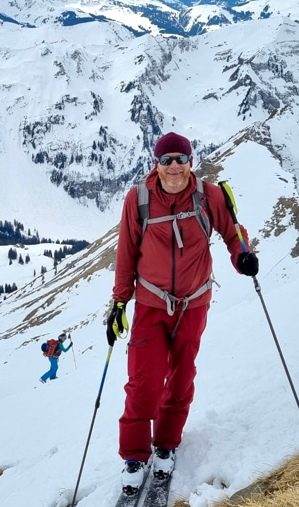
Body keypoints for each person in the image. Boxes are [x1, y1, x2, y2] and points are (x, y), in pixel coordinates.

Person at [105, 132, 258, 495]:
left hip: (194, 303)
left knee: (181, 377)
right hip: (151, 304)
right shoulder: (139, 199)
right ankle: (134, 456)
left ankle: (167, 445)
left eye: (181, 159)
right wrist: (120, 302)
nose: (174, 166)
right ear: (156, 164)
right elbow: (126, 253)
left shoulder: (210, 196)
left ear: (191, 161)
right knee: (144, 381)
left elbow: (233, 232)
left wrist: (242, 256)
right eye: (166, 160)